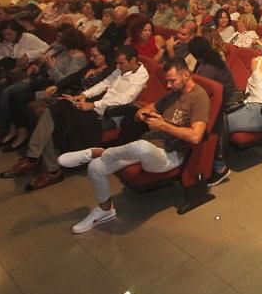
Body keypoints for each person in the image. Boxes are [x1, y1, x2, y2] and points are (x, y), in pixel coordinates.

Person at [60, 58, 210, 233]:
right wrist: (145, 115)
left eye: (172, 80)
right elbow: (141, 112)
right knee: (95, 168)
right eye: (167, 81)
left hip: (170, 154)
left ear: (186, 75)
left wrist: (163, 125)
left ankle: (97, 152)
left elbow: (196, 136)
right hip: (148, 145)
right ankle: (105, 209)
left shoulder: (199, 97)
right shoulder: (173, 94)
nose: (168, 85)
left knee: (140, 147)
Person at [0, 41, 117, 191]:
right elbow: (73, 78)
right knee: (45, 111)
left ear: (106, 56)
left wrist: (74, 99)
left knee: (47, 112)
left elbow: (99, 96)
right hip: (73, 100)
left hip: (88, 108)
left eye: (95, 56)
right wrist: (59, 86)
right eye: (91, 56)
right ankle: (41, 162)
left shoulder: (110, 72)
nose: (91, 59)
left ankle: (37, 160)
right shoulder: (91, 66)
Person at [210, 38, 262, 182]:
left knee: (217, 122)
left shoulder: (257, 61)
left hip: (255, 111)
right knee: (218, 117)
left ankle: (219, 167)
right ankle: (214, 162)